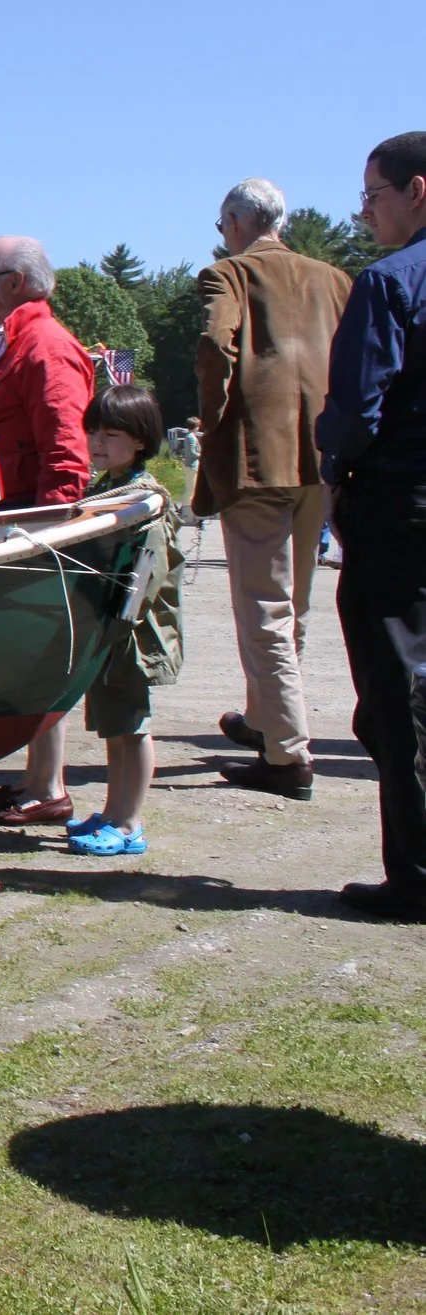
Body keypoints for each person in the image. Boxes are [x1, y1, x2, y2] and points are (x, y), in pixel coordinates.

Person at [192, 178, 351, 800]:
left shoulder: (228, 275)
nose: (220, 236)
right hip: (322, 456)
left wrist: (213, 419)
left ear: (236, 220)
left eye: (220, 224)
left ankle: (287, 754)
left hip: (257, 457)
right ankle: (266, 721)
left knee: (263, 607)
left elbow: (213, 346)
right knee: (295, 605)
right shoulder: (334, 279)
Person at [315, 131, 426, 922]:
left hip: (400, 506)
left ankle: (416, 873)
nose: (364, 213)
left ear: (416, 190)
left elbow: (357, 406)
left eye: (373, 195)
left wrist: (335, 469)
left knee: (397, 690)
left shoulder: (389, 282)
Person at [0, 236, 96, 826]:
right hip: (4, 516)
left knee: (40, 654)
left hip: (29, 521)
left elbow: (66, 452)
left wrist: (49, 533)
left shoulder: (42, 344)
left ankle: (48, 786)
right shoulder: (12, 340)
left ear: (14, 282)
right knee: (29, 656)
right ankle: (40, 779)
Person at [47, 384, 187, 856]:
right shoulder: (107, 489)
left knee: (133, 727)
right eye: (93, 432)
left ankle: (129, 823)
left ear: (141, 440)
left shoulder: (144, 499)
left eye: (111, 434)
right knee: (113, 727)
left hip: (131, 633)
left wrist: (116, 625)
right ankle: (111, 812)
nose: (98, 443)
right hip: (107, 629)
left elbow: (149, 577)